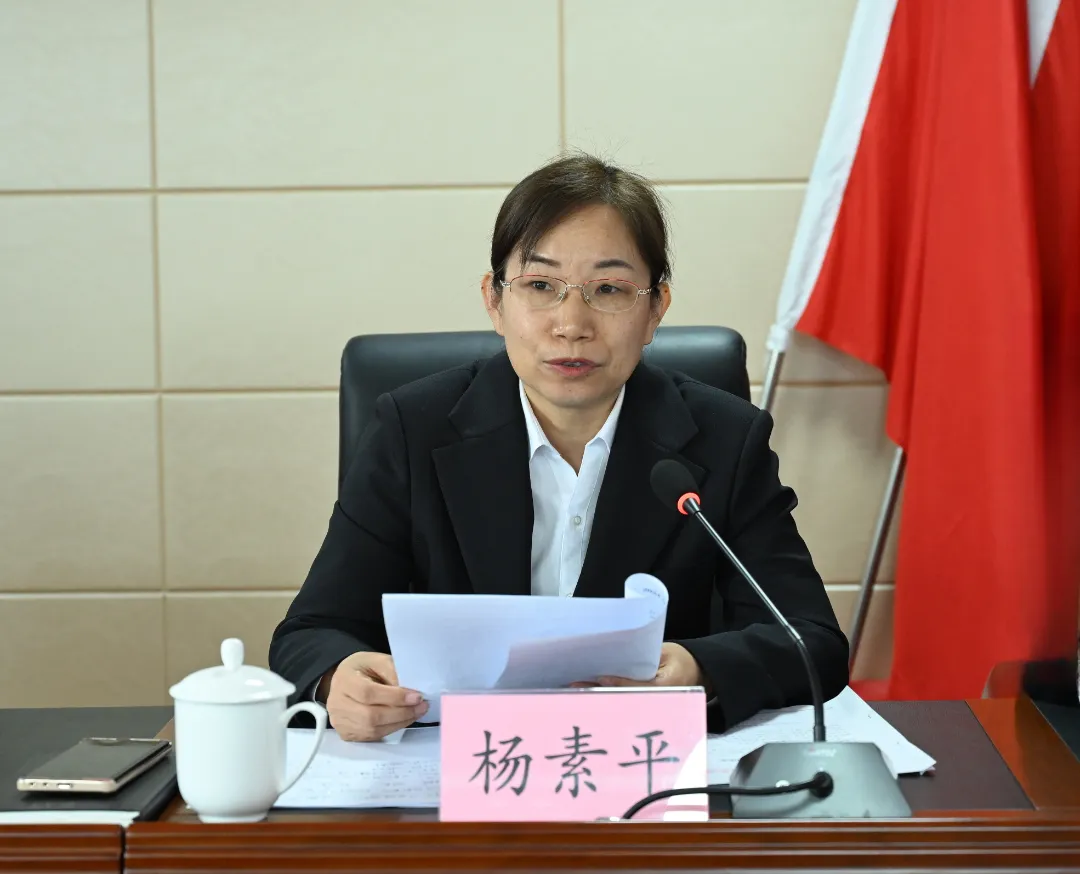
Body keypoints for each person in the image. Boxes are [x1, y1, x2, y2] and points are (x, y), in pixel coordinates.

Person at [269, 153, 849, 742]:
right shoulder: (413, 429)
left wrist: (699, 670)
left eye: (609, 289)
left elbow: (812, 641)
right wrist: (338, 680)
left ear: (656, 310)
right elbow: (310, 632)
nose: (572, 323)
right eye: (541, 286)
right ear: (494, 301)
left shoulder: (725, 439)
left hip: (641, 768)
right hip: (456, 767)